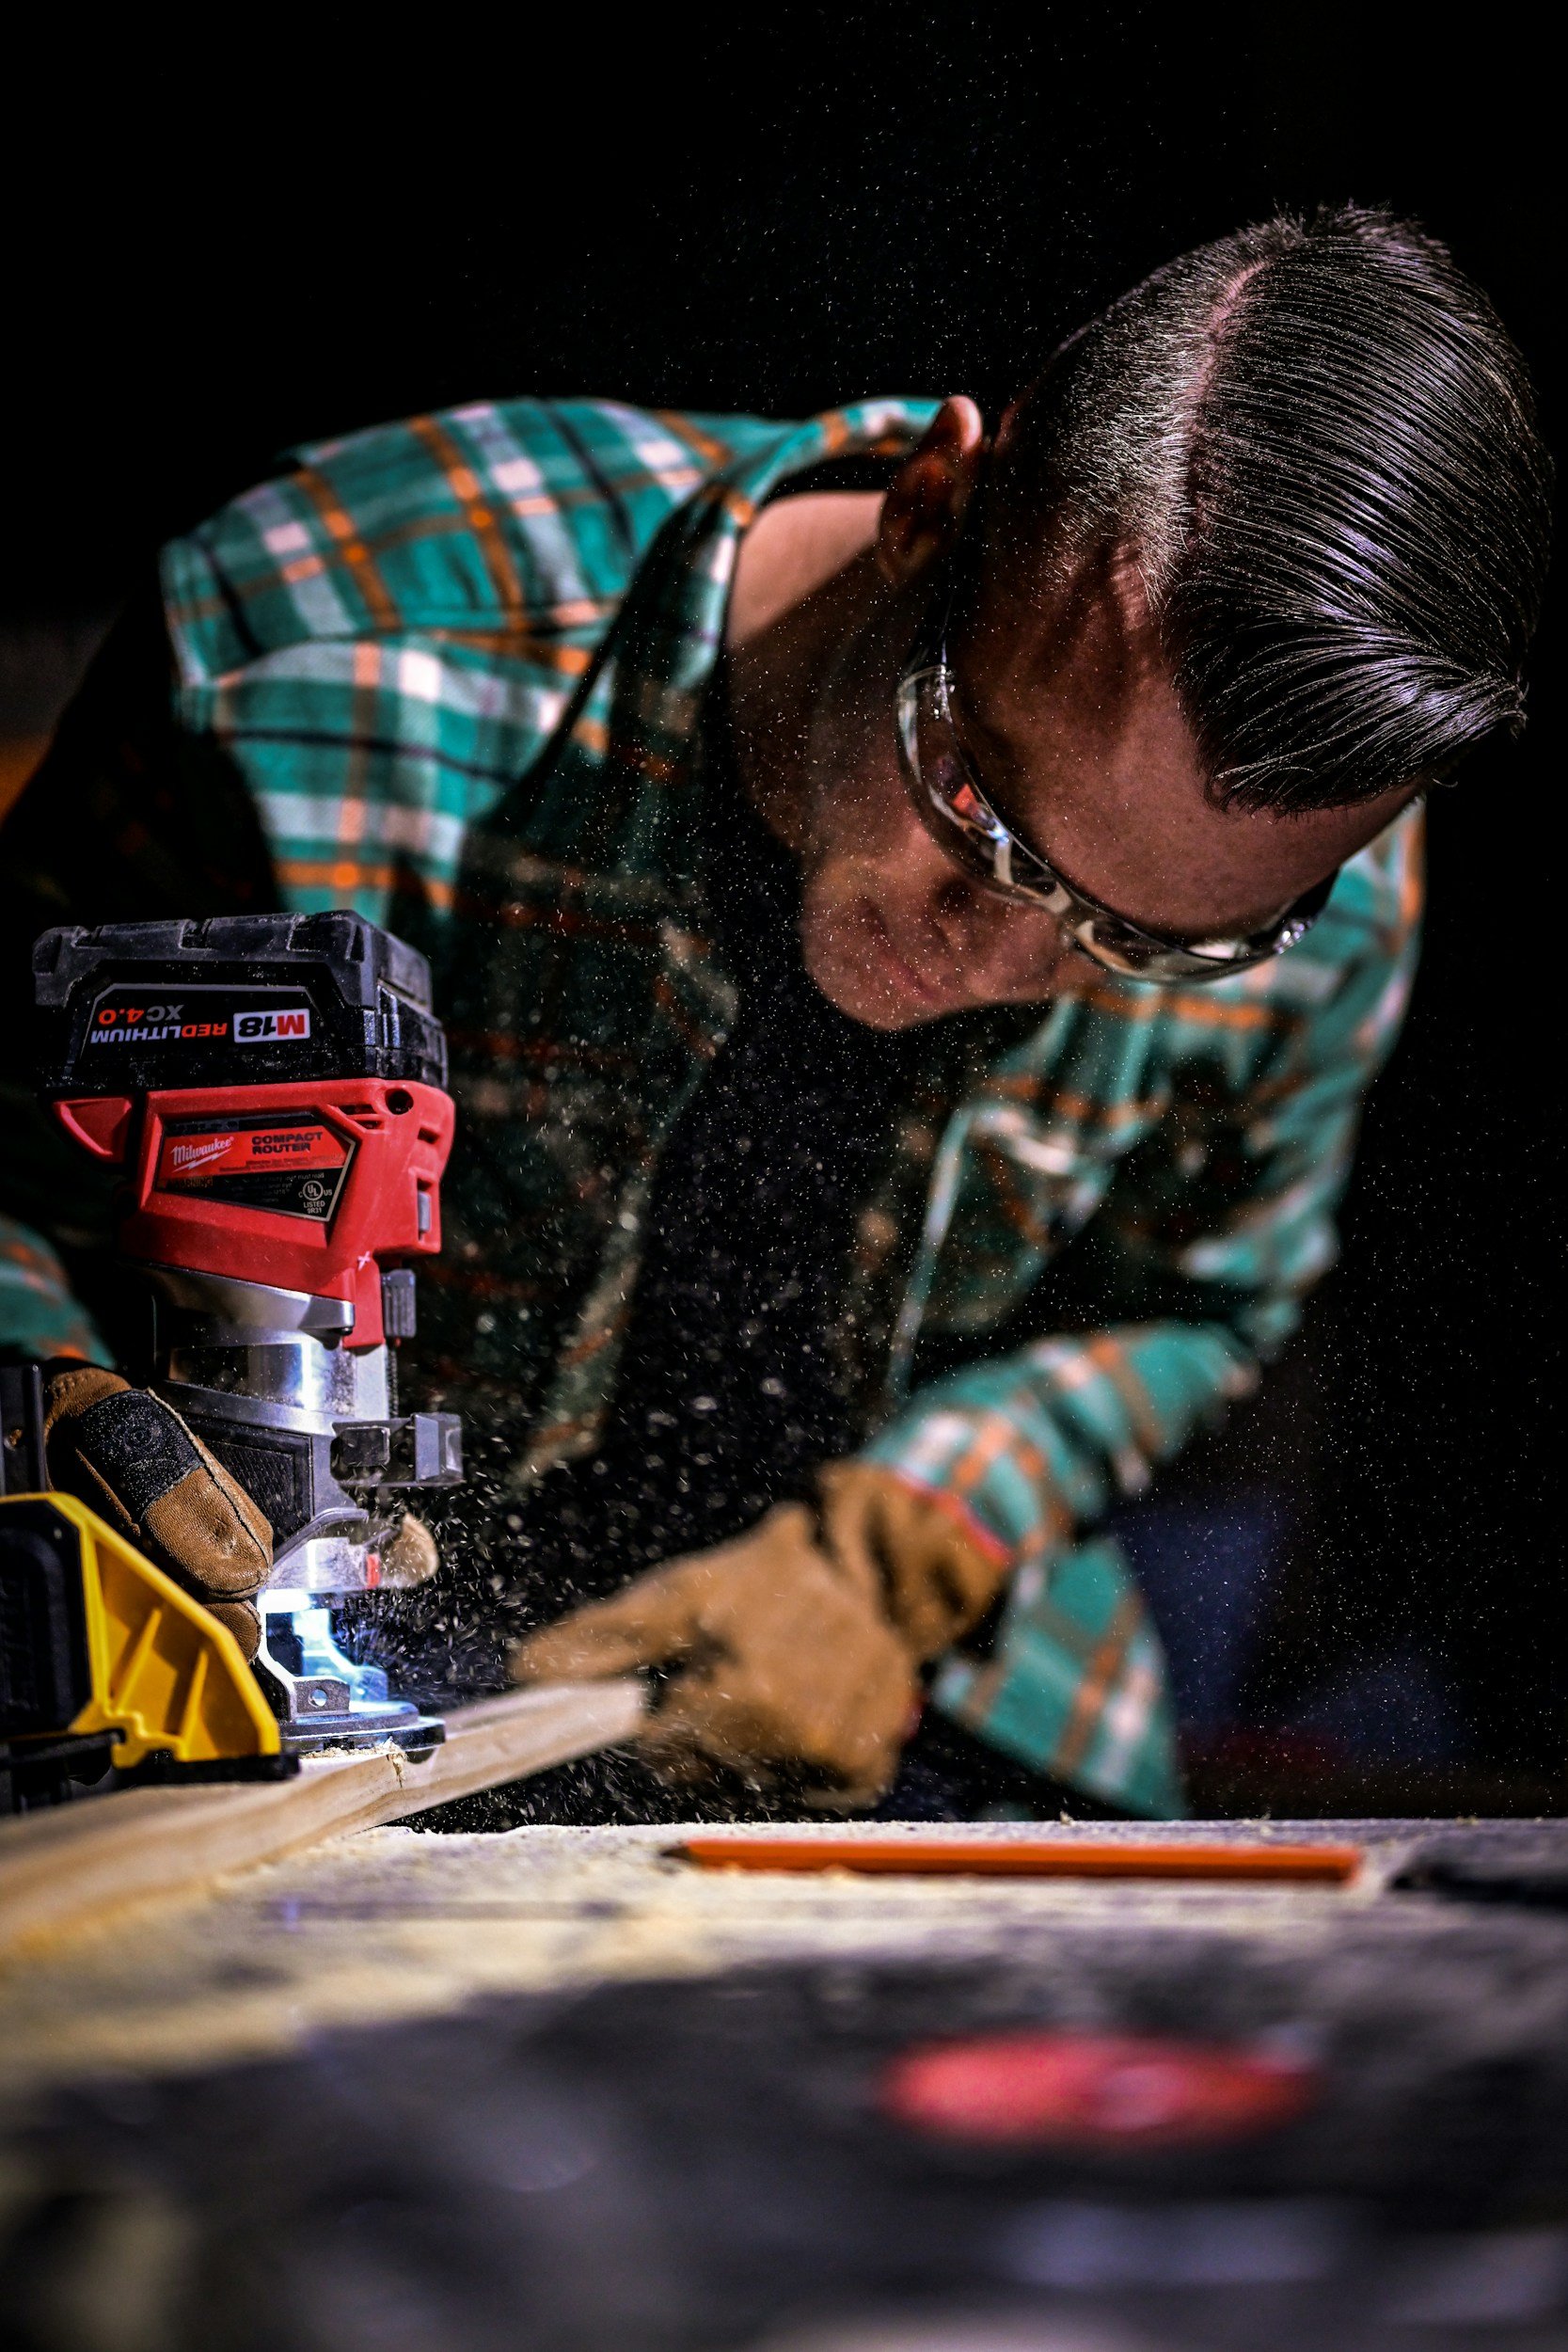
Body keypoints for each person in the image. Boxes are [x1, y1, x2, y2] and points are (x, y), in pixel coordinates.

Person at [0, 207, 1548, 1820]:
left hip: (926, 1706)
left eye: (1137, 941)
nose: (999, 958)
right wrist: (42, 1397)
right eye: (983, 812)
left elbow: (1199, 1305)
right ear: (931, 510)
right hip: (269, 1698)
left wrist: (894, 1551)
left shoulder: (1322, 891)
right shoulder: (307, 668)